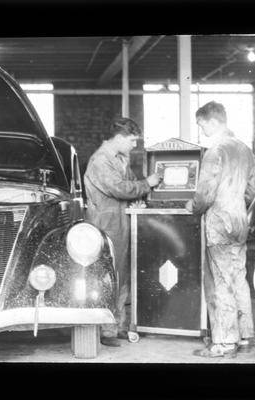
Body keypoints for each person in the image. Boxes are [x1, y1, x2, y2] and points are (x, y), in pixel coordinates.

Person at [186, 101, 255, 358]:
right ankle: (245, 336)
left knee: (221, 282)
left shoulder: (215, 150)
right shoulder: (245, 149)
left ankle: (225, 342)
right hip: (239, 220)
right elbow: (251, 192)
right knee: (239, 277)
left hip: (219, 223)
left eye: (202, 123)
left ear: (213, 121)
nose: (201, 128)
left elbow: (205, 193)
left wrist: (191, 206)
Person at [84, 117, 161, 347]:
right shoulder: (100, 161)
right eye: (132, 140)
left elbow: (129, 186)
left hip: (119, 223)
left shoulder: (119, 159)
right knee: (107, 278)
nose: (134, 145)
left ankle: (117, 326)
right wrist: (147, 183)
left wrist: (137, 198)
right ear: (118, 138)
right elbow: (119, 188)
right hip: (105, 225)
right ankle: (105, 330)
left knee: (120, 276)